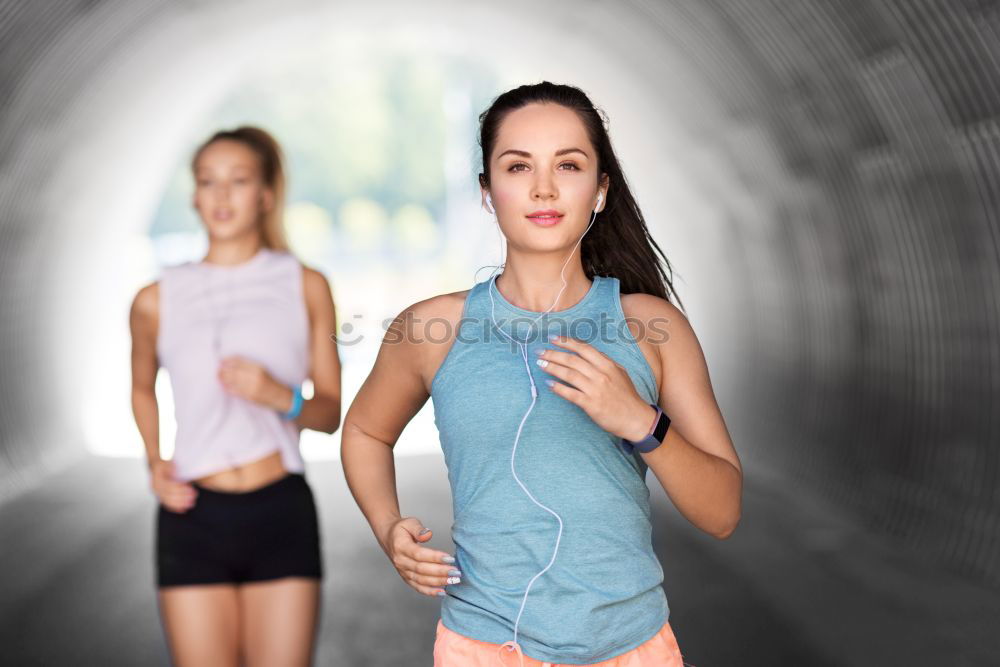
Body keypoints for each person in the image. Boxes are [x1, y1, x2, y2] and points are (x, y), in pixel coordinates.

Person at [341, 82, 742, 666]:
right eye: (518, 165)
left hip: (631, 647)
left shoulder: (653, 329)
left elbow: (723, 512)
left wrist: (637, 419)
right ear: (487, 192)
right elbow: (365, 432)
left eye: (569, 165)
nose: (544, 188)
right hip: (481, 644)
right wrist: (386, 527)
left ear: (600, 190)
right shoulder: (431, 328)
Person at [129, 126, 342, 666]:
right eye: (208, 182)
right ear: (194, 196)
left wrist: (279, 395)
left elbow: (330, 411)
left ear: (265, 194)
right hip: (193, 516)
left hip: (279, 510)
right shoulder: (155, 299)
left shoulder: (304, 284)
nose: (222, 196)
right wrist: (154, 461)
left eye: (238, 181)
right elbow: (140, 387)